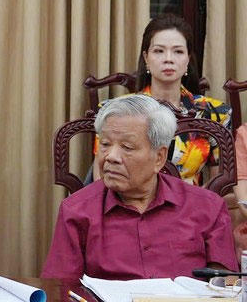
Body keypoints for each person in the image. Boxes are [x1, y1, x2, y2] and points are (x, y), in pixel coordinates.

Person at [42, 94, 237, 280]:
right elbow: (60, 288)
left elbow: (228, 284)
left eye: (127, 147)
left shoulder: (208, 207)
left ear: (159, 157)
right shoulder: (76, 210)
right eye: (105, 144)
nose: (111, 157)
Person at [93, 14, 232, 185]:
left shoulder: (216, 114)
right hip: (128, 200)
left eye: (178, 51)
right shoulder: (114, 111)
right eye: (159, 51)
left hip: (191, 201)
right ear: (146, 58)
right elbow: (102, 179)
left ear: (188, 59)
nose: (168, 59)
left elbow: (219, 185)